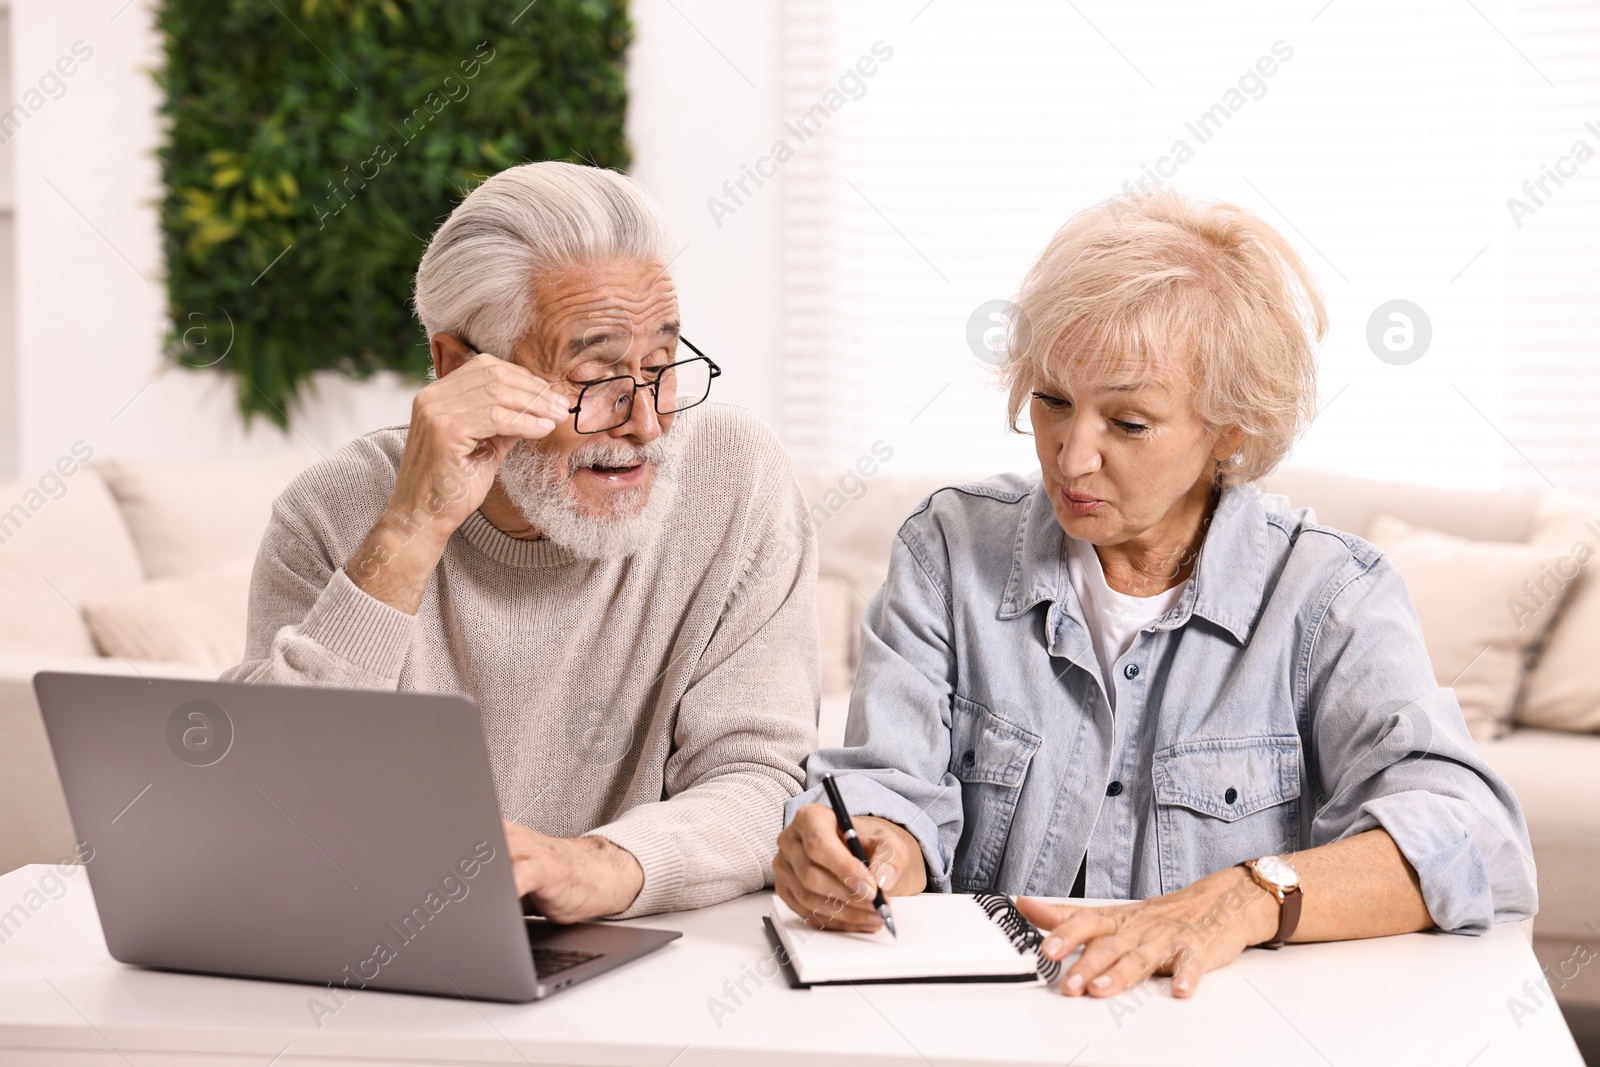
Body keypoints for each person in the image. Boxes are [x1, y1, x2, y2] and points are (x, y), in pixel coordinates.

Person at [774, 188, 1536, 997]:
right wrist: (868, 848)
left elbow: (1473, 837)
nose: (1071, 458)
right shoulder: (947, 553)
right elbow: (890, 787)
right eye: (1052, 400)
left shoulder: (1331, 597)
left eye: (1129, 424)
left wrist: (1246, 896)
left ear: (1230, 430)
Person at [226, 161, 819, 921]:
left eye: (662, 367)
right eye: (595, 374)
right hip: (381, 949)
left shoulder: (736, 478)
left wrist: (598, 865)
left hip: (654, 952)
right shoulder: (332, 511)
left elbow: (761, 776)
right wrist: (412, 530)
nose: (645, 423)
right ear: (457, 368)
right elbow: (263, 798)